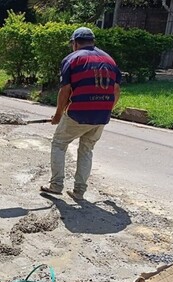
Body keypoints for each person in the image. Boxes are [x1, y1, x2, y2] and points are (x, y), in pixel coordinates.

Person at [41, 27, 122, 200]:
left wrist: (58, 115)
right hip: (102, 116)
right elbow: (116, 90)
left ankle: (56, 185)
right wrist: (107, 109)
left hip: (78, 113)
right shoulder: (109, 60)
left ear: (75, 43)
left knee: (59, 144)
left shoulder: (73, 59)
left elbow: (65, 90)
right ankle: (79, 191)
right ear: (92, 41)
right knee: (86, 149)